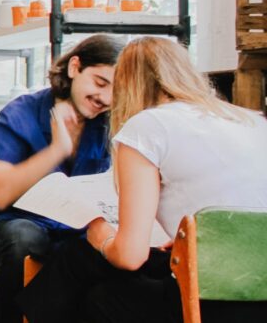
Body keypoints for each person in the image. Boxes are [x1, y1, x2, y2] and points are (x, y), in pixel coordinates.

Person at [19, 37, 267, 322]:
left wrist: (100, 234)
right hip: (256, 295)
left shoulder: (148, 126)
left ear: (126, 85)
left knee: (85, 272)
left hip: (207, 301)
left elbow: (129, 256)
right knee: (88, 275)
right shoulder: (251, 120)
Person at [0, 34, 124, 323]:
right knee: (24, 238)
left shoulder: (110, 123)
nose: (105, 99)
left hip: (81, 230)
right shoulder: (21, 113)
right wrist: (57, 150)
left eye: (115, 91)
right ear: (74, 67)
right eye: (99, 82)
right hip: (16, 225)